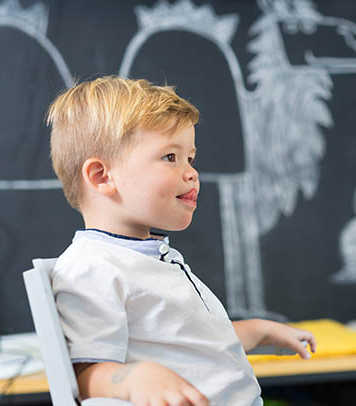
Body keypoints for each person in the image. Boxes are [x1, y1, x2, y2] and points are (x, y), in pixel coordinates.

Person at [46, 76, 316, 406]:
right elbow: (86, 377)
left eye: (190, 158)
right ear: (102, 176)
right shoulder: (91, 267)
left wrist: (259, 331)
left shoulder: (151, 257)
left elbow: (189, 343)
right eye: (170, 157)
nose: (191, 172)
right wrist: (133, 378)